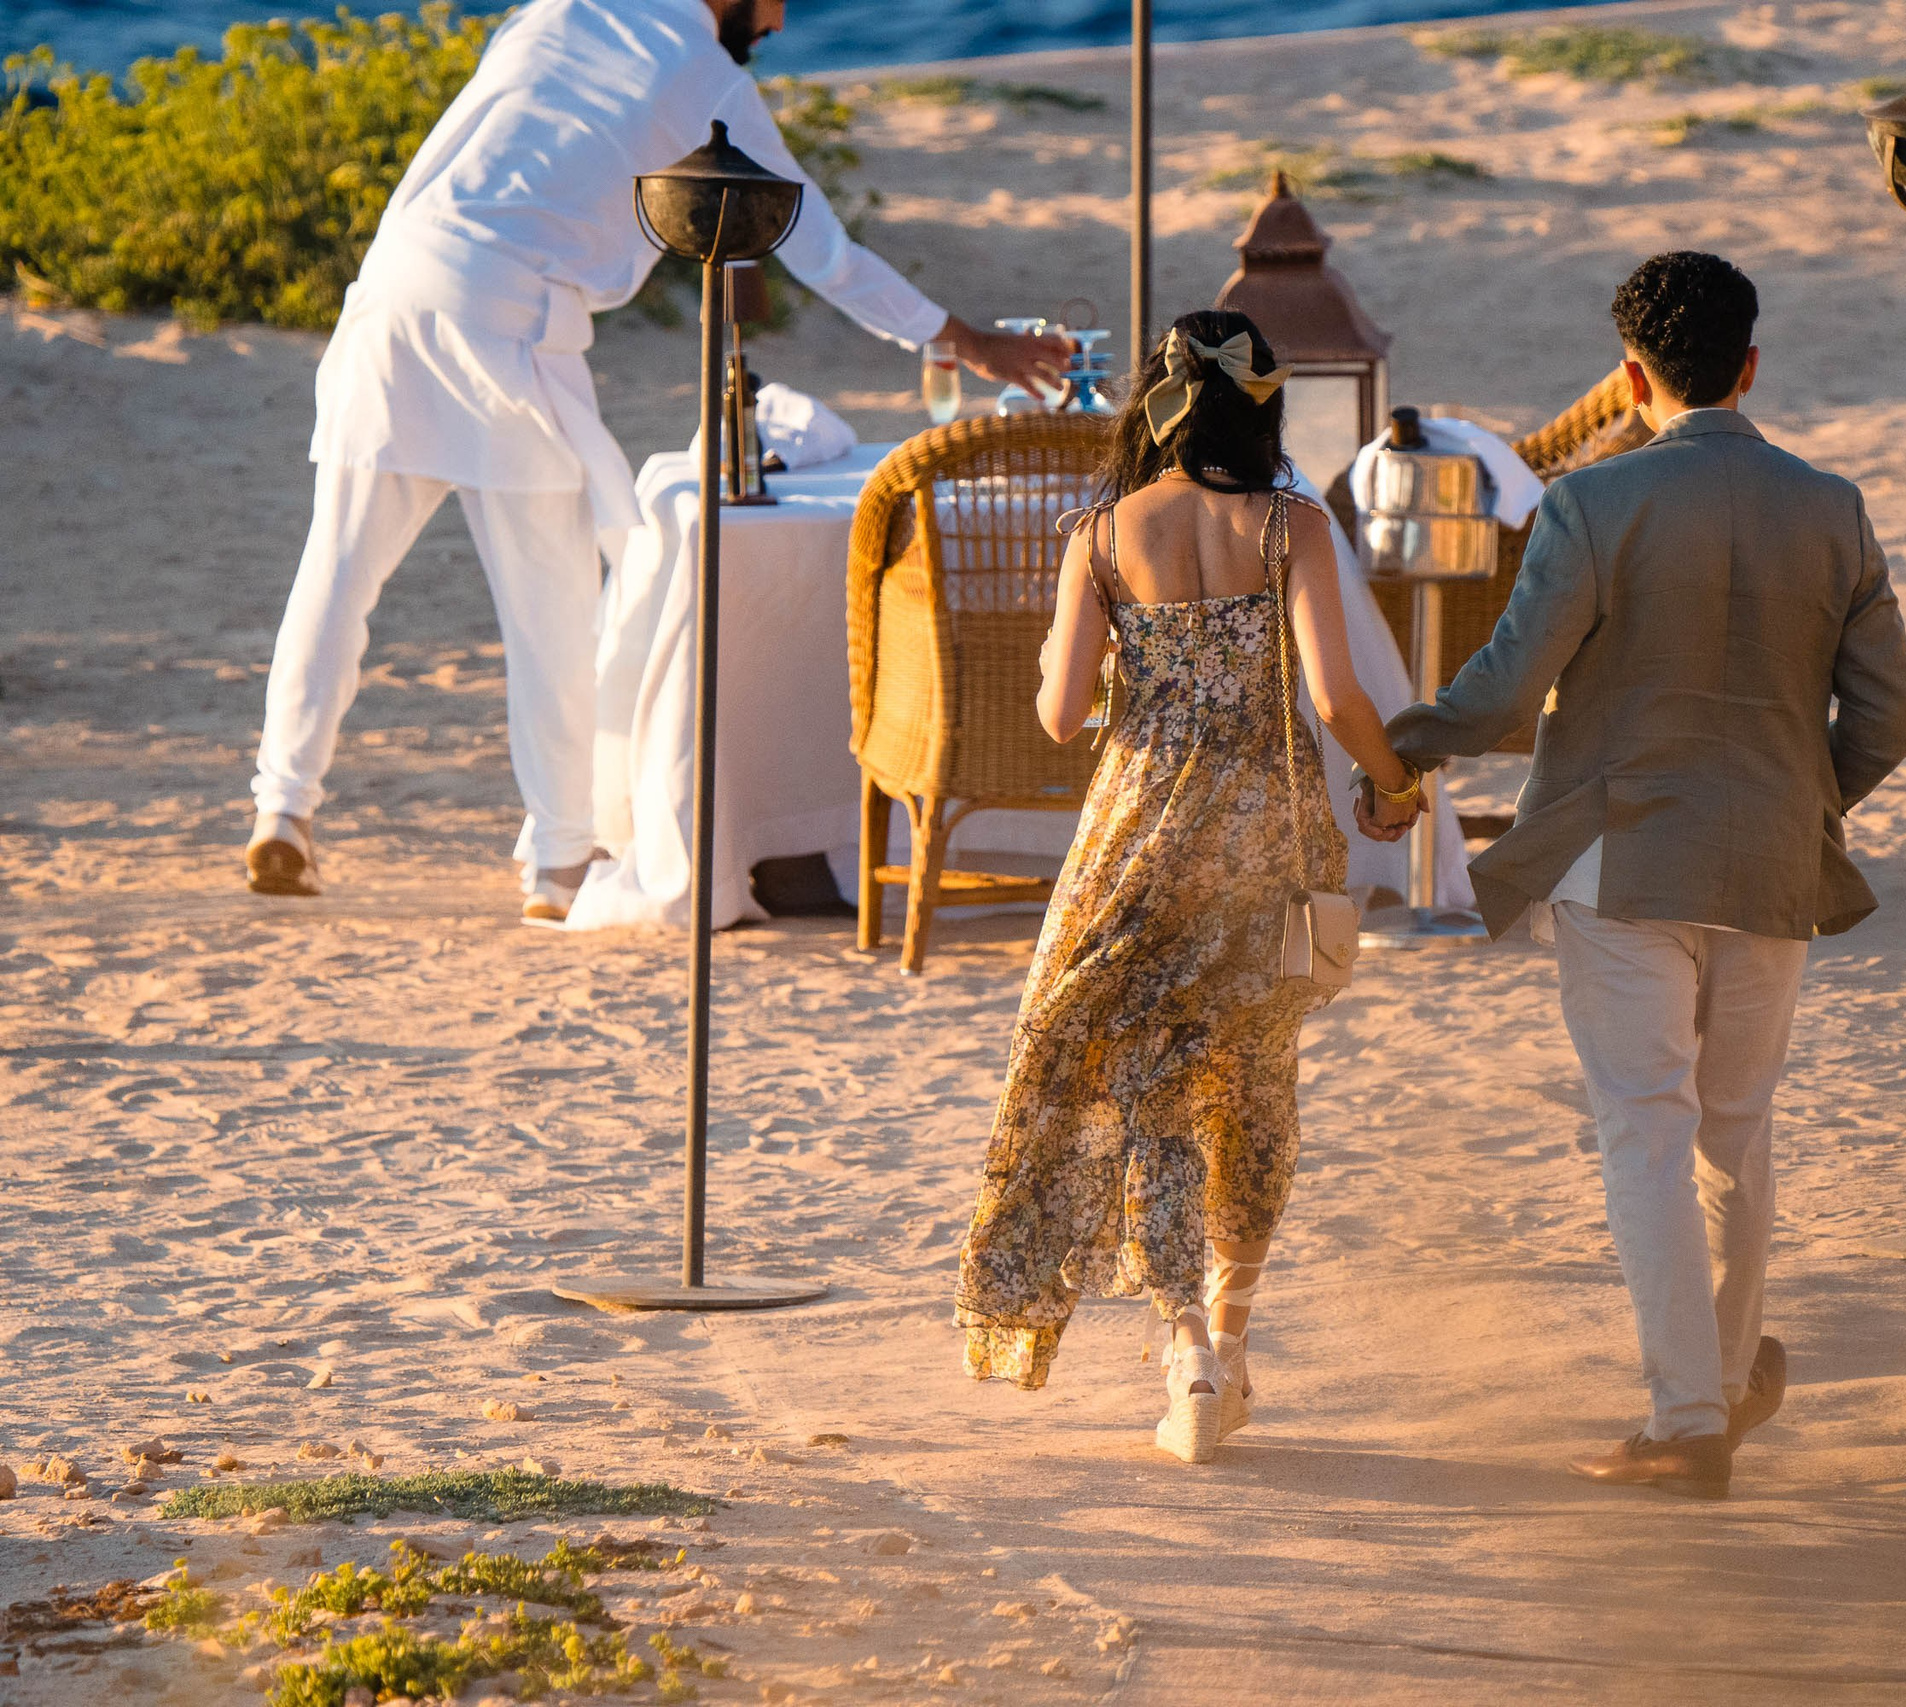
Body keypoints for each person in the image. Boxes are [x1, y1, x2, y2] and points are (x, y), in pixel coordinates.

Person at [243, 0, 1063, 919]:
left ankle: (283, 809)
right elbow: (819, 249)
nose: (782, 22)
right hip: (509, 318)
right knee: (548, 604)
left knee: (337, 574)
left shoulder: (550, 13)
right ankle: (557, 864)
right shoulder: (706, 76)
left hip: (392, 289)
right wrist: (964, 341)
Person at [1374, 253, 1906, 1498]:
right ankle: (1722, 1388)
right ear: (1749, 364)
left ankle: (1688, 1423)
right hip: (1776, 859)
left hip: (1621, 859)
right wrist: (1804, 798)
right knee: (1734, 1132)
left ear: (1632, 377)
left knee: (1646, 1131)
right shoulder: (1830, 506)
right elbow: (1888, 715)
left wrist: (1407, 746)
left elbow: (1506, 692)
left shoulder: (1590, 505)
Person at [953, 309, 1421, 1465]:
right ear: (1261, 406)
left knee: (1146, 1084)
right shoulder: (1292, 527)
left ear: (1153, 407)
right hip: (1267, 837)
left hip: (1137, 835)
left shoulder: (1101, 534)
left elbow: (1062, 717)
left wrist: (1127, 670)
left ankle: (1186, 1358)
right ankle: (1226, 1334)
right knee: (1251, 1091)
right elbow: (1335, 695)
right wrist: (1395, 786)